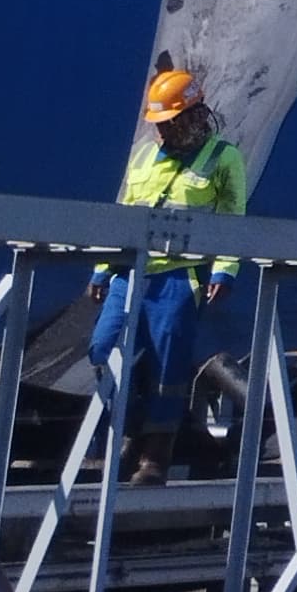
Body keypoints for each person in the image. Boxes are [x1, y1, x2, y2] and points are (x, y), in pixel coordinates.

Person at [92, 59, 248, 479]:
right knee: (102, 349)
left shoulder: (223, 157)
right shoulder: (144, 155)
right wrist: (103, 268)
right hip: (130, 272)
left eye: (171, 121)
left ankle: (155, 454)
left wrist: (225, 270)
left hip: (181, 276)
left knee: (168, 364)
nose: (163, 130)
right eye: (160, 123)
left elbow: (234, 217)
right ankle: (129, 426)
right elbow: (124, 213)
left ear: (194, 115)